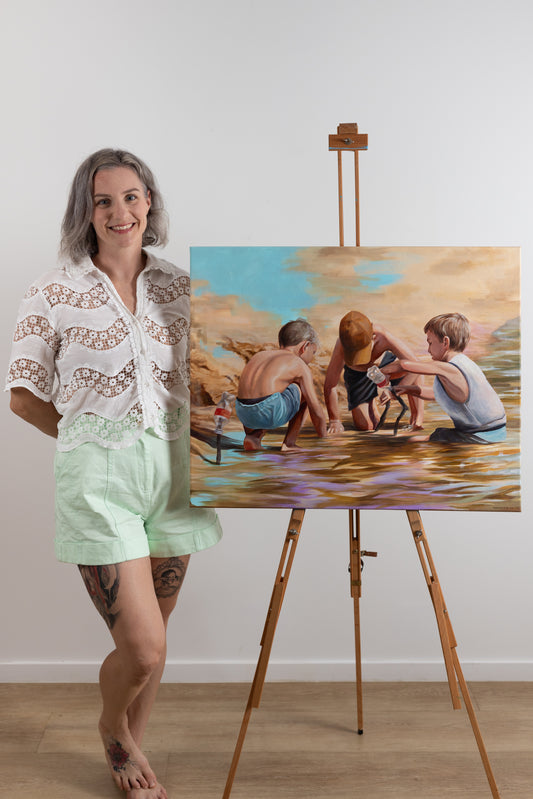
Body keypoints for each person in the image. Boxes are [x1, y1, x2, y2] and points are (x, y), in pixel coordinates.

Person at [6, 149, 222, 799]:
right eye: (104, 201)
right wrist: (83, 437)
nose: (119, 211)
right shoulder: (54, 290)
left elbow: (209, 384)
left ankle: (134, 750)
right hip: (99, 479)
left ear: (148, 202)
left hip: (175, 476)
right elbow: (22, 393)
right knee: (144, 646)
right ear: (87, 211)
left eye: (130, 197)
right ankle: (112, 728)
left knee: (158, 625)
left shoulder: (182, 288)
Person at [386, 312, 506, 443]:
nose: (428, 350)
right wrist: (408, 389)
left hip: (479, 435)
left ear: (445, 342)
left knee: (412, 442)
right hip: (495, 431)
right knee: (434, 435)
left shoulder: (448, 368)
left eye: (430, 343)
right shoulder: (465, 364)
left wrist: (381, 371)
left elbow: (405, 365)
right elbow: (438, 394)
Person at [323, 310, 424, 433]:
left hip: (383, 369)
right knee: (366, 427)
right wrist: (334, 420)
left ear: (373, 336)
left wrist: (394, 391)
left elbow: (417, 366)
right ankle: (370, 401)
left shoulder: (382, 336)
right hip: (358, 376)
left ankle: (417, 417)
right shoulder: (341, 344)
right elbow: (330, 385)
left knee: (411, 369)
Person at [235, 318, 327, 451]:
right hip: (269, 411)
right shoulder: (298, 363)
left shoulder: (260, 355)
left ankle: (253, 437)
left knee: (268, 395)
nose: (312, 359)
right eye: (313, 352)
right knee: (304, 392)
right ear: (305, 346)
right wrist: (323, 438)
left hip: (243, 413)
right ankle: (289, 444)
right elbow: (315, 409)